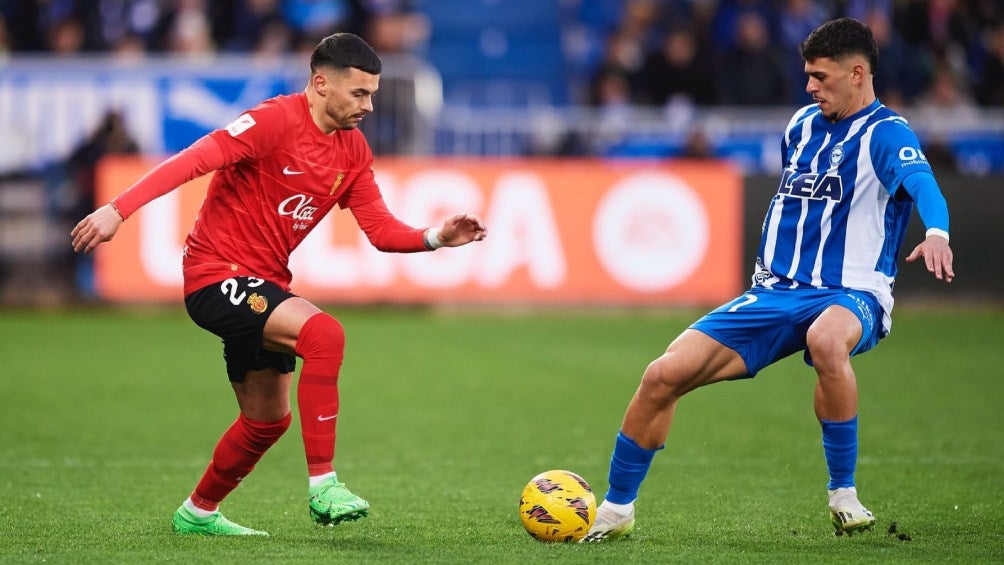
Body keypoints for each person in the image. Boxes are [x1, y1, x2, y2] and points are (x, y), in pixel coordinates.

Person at [71, 32, 487, 536]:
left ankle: (198, 513)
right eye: (359, 93)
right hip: (215, 274)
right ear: (321, 84)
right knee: (324, 335)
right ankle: (324, 486)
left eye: (373, 94)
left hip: (264, 285)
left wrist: (436, 237)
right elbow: (194, 159)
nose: (369, 106)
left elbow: (380, 230)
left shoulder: (353, 151)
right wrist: (118, 209)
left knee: (267, 419)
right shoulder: (273, 121)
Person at [581, 17, 954, 542]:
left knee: (827, 340)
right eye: (808, 76)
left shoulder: (887, 133)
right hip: (775, 291)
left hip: (851, 292)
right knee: (661, 376)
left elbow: (923, 183)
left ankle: (843, 494)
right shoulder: (800, 125)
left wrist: (937, 232)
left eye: (820, 77)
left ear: (856, 73)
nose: (810, 86)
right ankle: (616, 509)